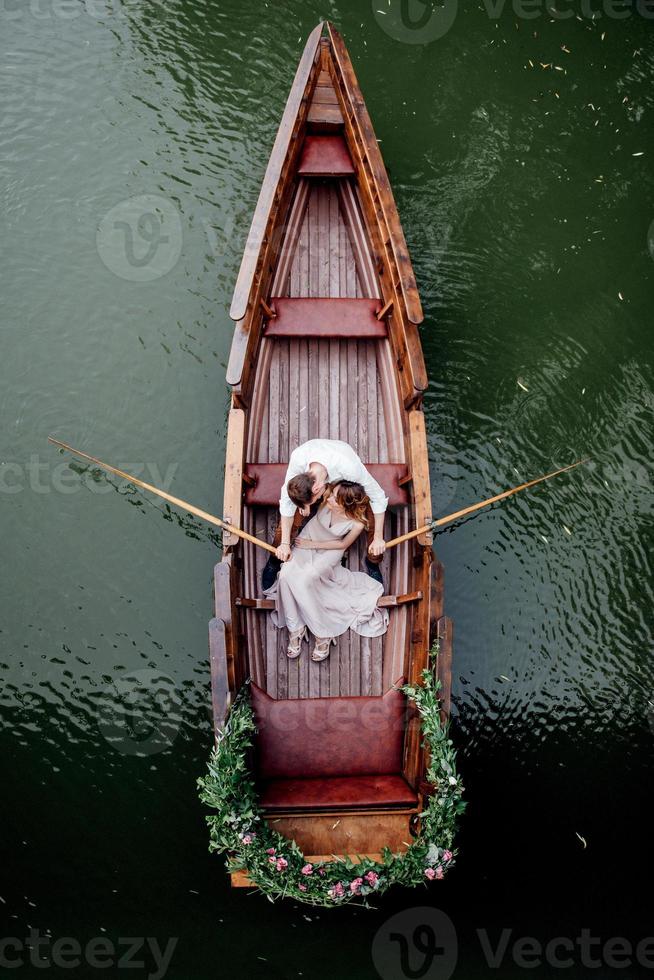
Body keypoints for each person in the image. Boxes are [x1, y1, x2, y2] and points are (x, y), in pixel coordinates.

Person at [263, 481, 389, 661]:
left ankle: (323, 633)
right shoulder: (324, 499)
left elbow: (343, 544)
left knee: (307, 579)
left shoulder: (357, 523)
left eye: (334, 498)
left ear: (345, 504)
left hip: (330, 549)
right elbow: (304, 493)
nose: (328, 497)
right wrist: (304, 505)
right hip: (307, 538)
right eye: (330, 494)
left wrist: (312, 545)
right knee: (284, 576)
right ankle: (295, 627)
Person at [261, 438, 388, 591]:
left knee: (373, 517)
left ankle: (373, 561)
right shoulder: (298, 459)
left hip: (342, 477)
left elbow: (378, 497)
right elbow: (287, 503)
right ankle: (275, 559)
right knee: (290, 517)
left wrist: (379, 538)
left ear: (317, 490)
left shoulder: (350, 468)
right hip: (322, 476)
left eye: (311, 502)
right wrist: (285, 544)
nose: (309, 506)